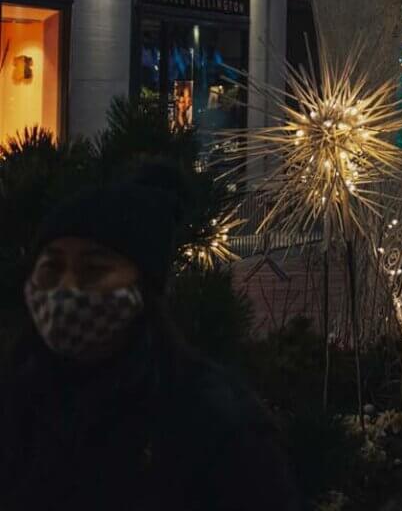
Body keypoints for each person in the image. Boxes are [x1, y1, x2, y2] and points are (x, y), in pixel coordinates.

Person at [0, 168, 302, 510]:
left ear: (142, 288)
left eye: (94, 270)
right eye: (52, 268)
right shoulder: (17, 398)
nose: (66, 289)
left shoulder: (214, 423)